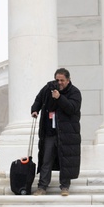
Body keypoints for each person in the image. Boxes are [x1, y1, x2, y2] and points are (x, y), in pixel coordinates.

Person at [30, 68, 82, 196]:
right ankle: (42, 187)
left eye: (62, 80)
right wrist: (35, 109)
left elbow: (72, 108)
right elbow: (38, 99)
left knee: (66, 160)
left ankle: (65, 186)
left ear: (68, 80)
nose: (59, 83)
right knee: (46, 159)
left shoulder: (74, 92)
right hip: (50, 132)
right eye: (57, 80)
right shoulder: (48, 88)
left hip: (67, 134)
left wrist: (59, 98)